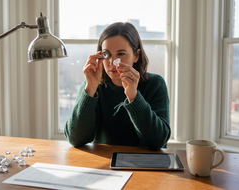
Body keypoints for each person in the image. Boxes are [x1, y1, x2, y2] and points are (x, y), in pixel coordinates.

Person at [64, 22, 170, 150]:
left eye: (121, 54)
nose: (112, 63)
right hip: (104, 164)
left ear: (136, 56)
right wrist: (90, 88)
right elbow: (75, 139)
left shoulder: (155, 84)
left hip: (143, 165)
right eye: (106, 54)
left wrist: (133, 96)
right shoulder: (92, 86)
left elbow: (158, 141)